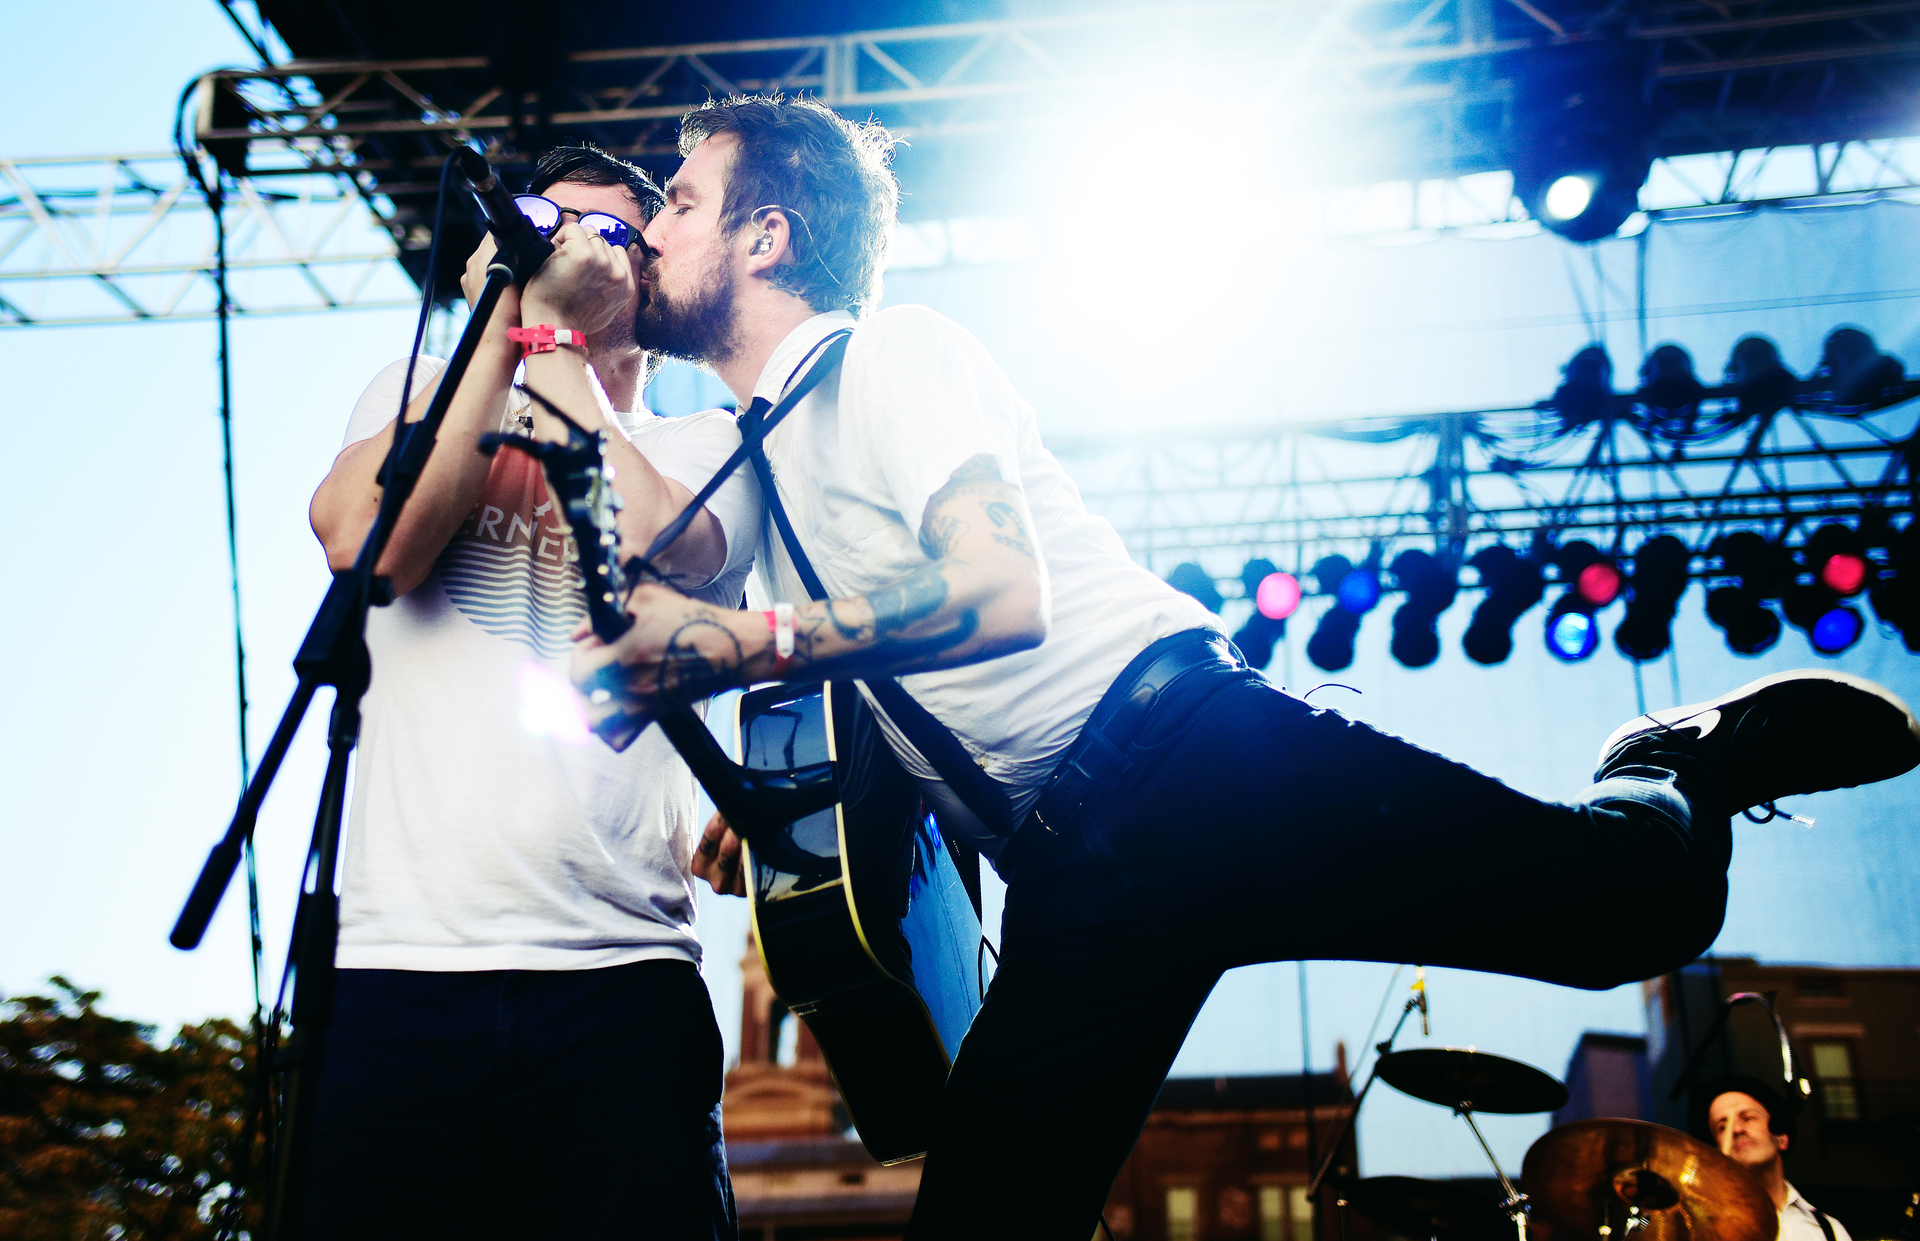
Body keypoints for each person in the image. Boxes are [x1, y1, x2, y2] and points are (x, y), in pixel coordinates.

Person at [571, 94, 1920, 1240]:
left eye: (677, 201)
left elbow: (995, 590)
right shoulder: (759, 467)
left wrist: (734, 644)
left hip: (1197, 765)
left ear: (767, 233)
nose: (652, 229)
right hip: (1074, 887)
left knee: (1634, 922)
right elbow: (862, 677)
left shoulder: (895, 355)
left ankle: (1666, 764)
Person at [304, 144, 755, 1239]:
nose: (553, 244)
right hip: (393, 967)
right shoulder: (430, 386)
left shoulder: (704, 438)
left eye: (597, 230)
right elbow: (374, 543)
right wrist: (500, 338)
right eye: (538, 221)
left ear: (648, 277)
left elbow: (663, 536)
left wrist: (549, 337)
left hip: (619, 974)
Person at [1707, 1079, 1852, 1241]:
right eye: (1722, 1127)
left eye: (1748, 1118)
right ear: (1717, 1152)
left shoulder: (1830, 1230)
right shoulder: (1706, 1229)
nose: (1737, 1129)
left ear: (1782, 1137)